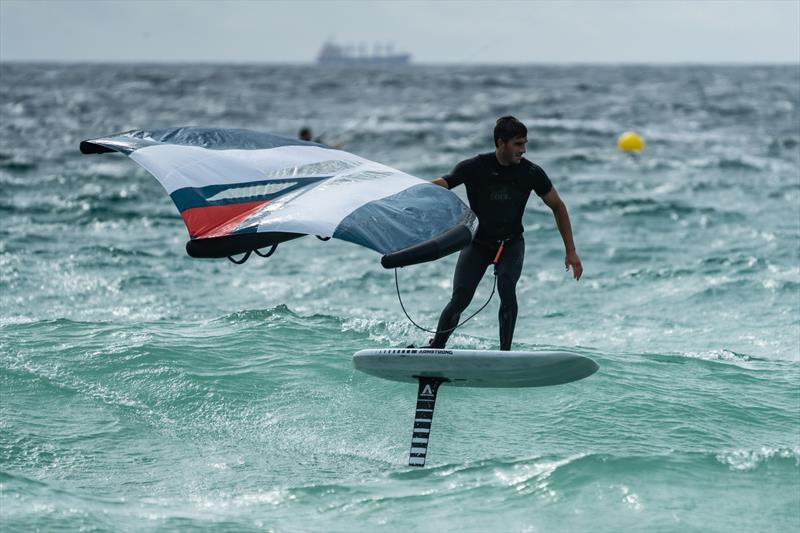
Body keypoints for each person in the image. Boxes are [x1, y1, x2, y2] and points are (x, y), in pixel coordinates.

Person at [429, 116, 582, 351]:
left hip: (511, 244)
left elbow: (558, 206)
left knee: (507, 288)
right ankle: (435, 348)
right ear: (501, 143)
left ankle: (504, 354)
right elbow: (444, 184)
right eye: (518, 144)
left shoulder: (531, 172)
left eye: (525, 144)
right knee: (460, 298)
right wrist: (411, 188)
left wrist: (571, 251)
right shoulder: (474, 167)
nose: (523, 150)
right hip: (477, 243)